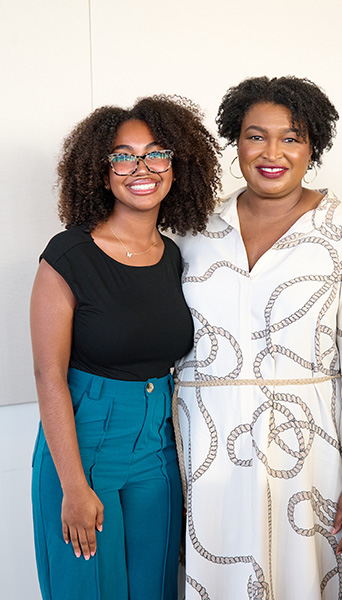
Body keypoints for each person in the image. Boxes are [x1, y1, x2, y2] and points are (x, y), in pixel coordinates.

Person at [174, 76, 342, 599]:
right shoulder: (195, 228)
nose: (272, 153)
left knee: (307, 582)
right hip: (206, 452)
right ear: (235, 141)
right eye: (255, 136)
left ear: (313, 146)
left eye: (291, 137)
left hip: (309, 454)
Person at [30, 95, 221, 600]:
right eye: (123, 155)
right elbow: (49, 378)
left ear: (177, 165)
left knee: (157, 589)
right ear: (102, 169)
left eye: (156, 153)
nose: (141, 168)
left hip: (157, 451)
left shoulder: (177, 257)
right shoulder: (68, 255)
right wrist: (72, 486)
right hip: (83, 447)